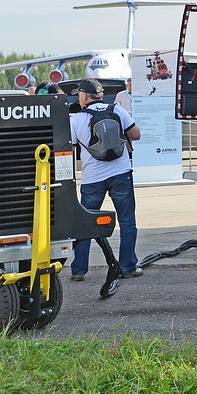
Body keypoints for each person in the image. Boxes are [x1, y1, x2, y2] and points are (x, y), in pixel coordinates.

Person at [69, 78, 143, 280]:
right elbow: (136, 135)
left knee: (84, 224)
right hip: (121, 174)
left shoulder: (77, 119)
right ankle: (128, 267)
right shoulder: (117, 110)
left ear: (84, 96)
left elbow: (70, 147)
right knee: (127, 221)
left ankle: (79, 270)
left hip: (92, 179)